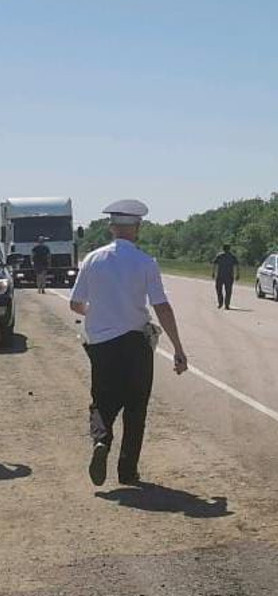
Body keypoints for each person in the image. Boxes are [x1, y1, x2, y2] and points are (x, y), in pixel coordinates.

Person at [69, 199, 188, 487]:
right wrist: (178, 349)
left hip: (101, 344)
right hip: (136, 343)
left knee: (102, 402)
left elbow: (75, 303)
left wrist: (97, 314)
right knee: (136, 408)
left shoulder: (93, 259)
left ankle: (101, 441)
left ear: (111, 227)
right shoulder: (146, 262)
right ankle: (127, 471)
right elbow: (162, 306)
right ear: (137, 228)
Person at [211, 243, 239, 310]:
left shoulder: (220, 256)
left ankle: (221, 303)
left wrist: (213, 272)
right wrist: (237, 274)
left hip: (221, 276)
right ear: (229, 249)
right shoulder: (232, 256)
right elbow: (237, 266)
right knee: (228, 291)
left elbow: (214, 265)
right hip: (229, 276)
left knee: (219, 290)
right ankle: (226, 304)